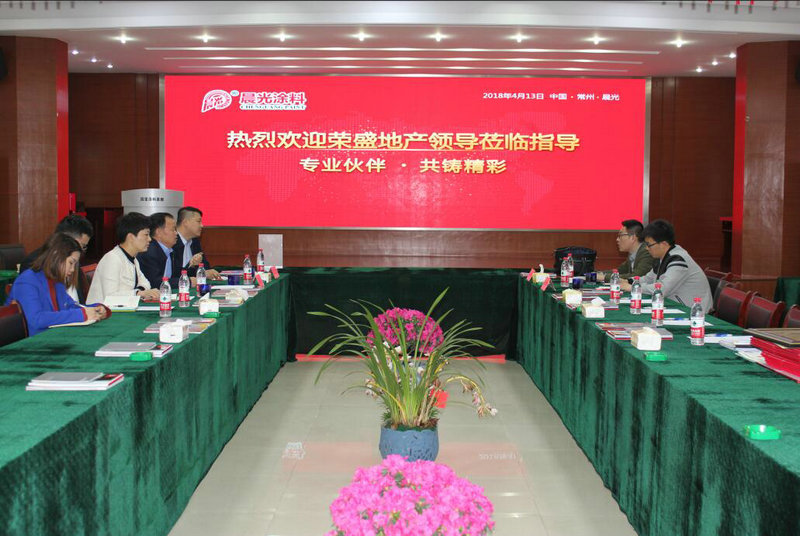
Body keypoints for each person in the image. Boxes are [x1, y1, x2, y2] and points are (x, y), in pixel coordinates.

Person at [6, 233, 108, 336]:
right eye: (71, 263)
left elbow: (71, 306)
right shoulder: (27, 281)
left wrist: (96, 309)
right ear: (56, 255)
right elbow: (37, 319)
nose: (73, 270)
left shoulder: (56, 281)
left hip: (54, 336)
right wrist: (82, 314)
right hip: (33, 341)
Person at [620, 219, 713, 312]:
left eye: (649, 245)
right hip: (677, 307)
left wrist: (632, 287)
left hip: (695, 312)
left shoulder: (678, 260)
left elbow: (662, 289)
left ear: (663, 244)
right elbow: (648, 279)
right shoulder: (663, 257)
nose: (647, 248)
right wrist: (628, 281)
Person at [86, 212, 161, 304]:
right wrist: (138, 293)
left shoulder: (133, 259)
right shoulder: (112, 259)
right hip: (103, 311)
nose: (149, 239)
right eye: (146, 234)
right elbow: (110, 297)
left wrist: (139, 292)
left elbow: (146, 284)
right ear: (131, 237)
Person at [19, 214, 94, 304]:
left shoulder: (73, 262)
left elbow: (76, 302)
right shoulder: (33, 264)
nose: (81, 251)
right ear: (65, 239)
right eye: (81, 246)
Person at [137, 212, 186, 289]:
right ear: (159, 232)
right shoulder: (149, 252)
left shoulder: (171, 250)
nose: (176, 233)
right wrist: (185, 281)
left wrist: (191, 266)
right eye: (173, 229)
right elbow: (155, 282)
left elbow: (177, 274)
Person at [172, 206, 221, 280]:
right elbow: (174, 274)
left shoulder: (195, 241)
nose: (202, 225)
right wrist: (192, 266)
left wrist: (207, 272)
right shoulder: (171, 241)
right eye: (198, 221)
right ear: (185, 222)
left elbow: (205, 266)